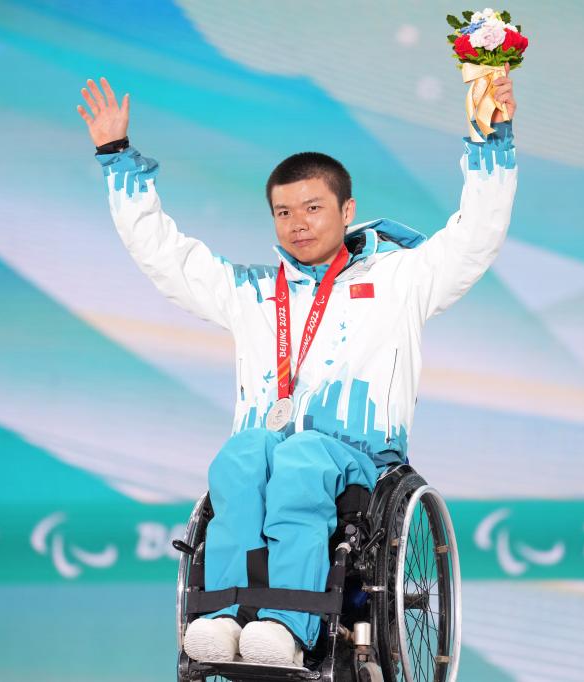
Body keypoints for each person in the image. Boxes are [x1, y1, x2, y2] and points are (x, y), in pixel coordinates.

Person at [77, 70, 517, 667]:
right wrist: (115, 157)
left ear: (347, 209)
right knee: (240, 455)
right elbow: (166, 258)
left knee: (303, 458)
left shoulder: (399, 280)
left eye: (313, 208)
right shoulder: (255, 292)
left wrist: (492, 140)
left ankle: (287, 622)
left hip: (358, 458)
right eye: (283, 212)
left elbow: (475, 237)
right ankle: (223, 615)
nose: (298, 223)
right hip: (270, 451)